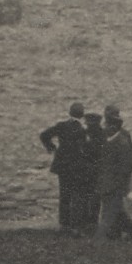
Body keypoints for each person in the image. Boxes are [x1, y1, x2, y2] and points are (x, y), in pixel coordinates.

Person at [41, 101, 97, 236]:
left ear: (70, 113)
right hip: (77, 168)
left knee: (65, 195)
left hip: (63, 167)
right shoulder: (83, 130)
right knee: (78, 195)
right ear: (82, 114)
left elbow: (44, 135)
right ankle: (76, 225)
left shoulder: (62, 126)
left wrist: (52, 148)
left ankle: (64, 224)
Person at [94, 105, 132, 239]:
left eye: (109, 120)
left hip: (116, 180)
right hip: (105, 178)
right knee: (115, 207)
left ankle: (101, 238)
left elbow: (128, 162)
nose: (107, 125)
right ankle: (130, 229)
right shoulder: (103, 135)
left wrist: (122, 181)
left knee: (110, 209)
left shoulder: (124, 138)